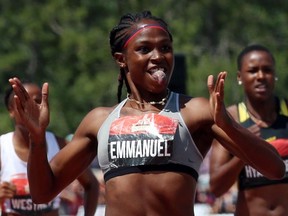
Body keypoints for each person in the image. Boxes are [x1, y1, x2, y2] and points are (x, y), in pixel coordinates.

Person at [8, 11, 285, 216]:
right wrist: (37, 138)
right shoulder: (99, 120)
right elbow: (43, 192)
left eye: (165, 48)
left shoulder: (195, 111)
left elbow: (274, 168)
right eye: (144, 49)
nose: (158, 56)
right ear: (121, 60)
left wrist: (229, 125)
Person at [209, 44, 288, 216]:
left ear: (274, 75)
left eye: (267, 70)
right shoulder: (230, 119)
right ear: (239, 77)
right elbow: (216, 187)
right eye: (253, 71)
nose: (261, 76)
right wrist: (246, 148)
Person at [0, 82, 99, 216]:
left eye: (37, 102)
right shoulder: (2, 148)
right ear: (11, 110)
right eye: (24, 102)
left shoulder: (59, 145)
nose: (31, 108)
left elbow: (91, 184)